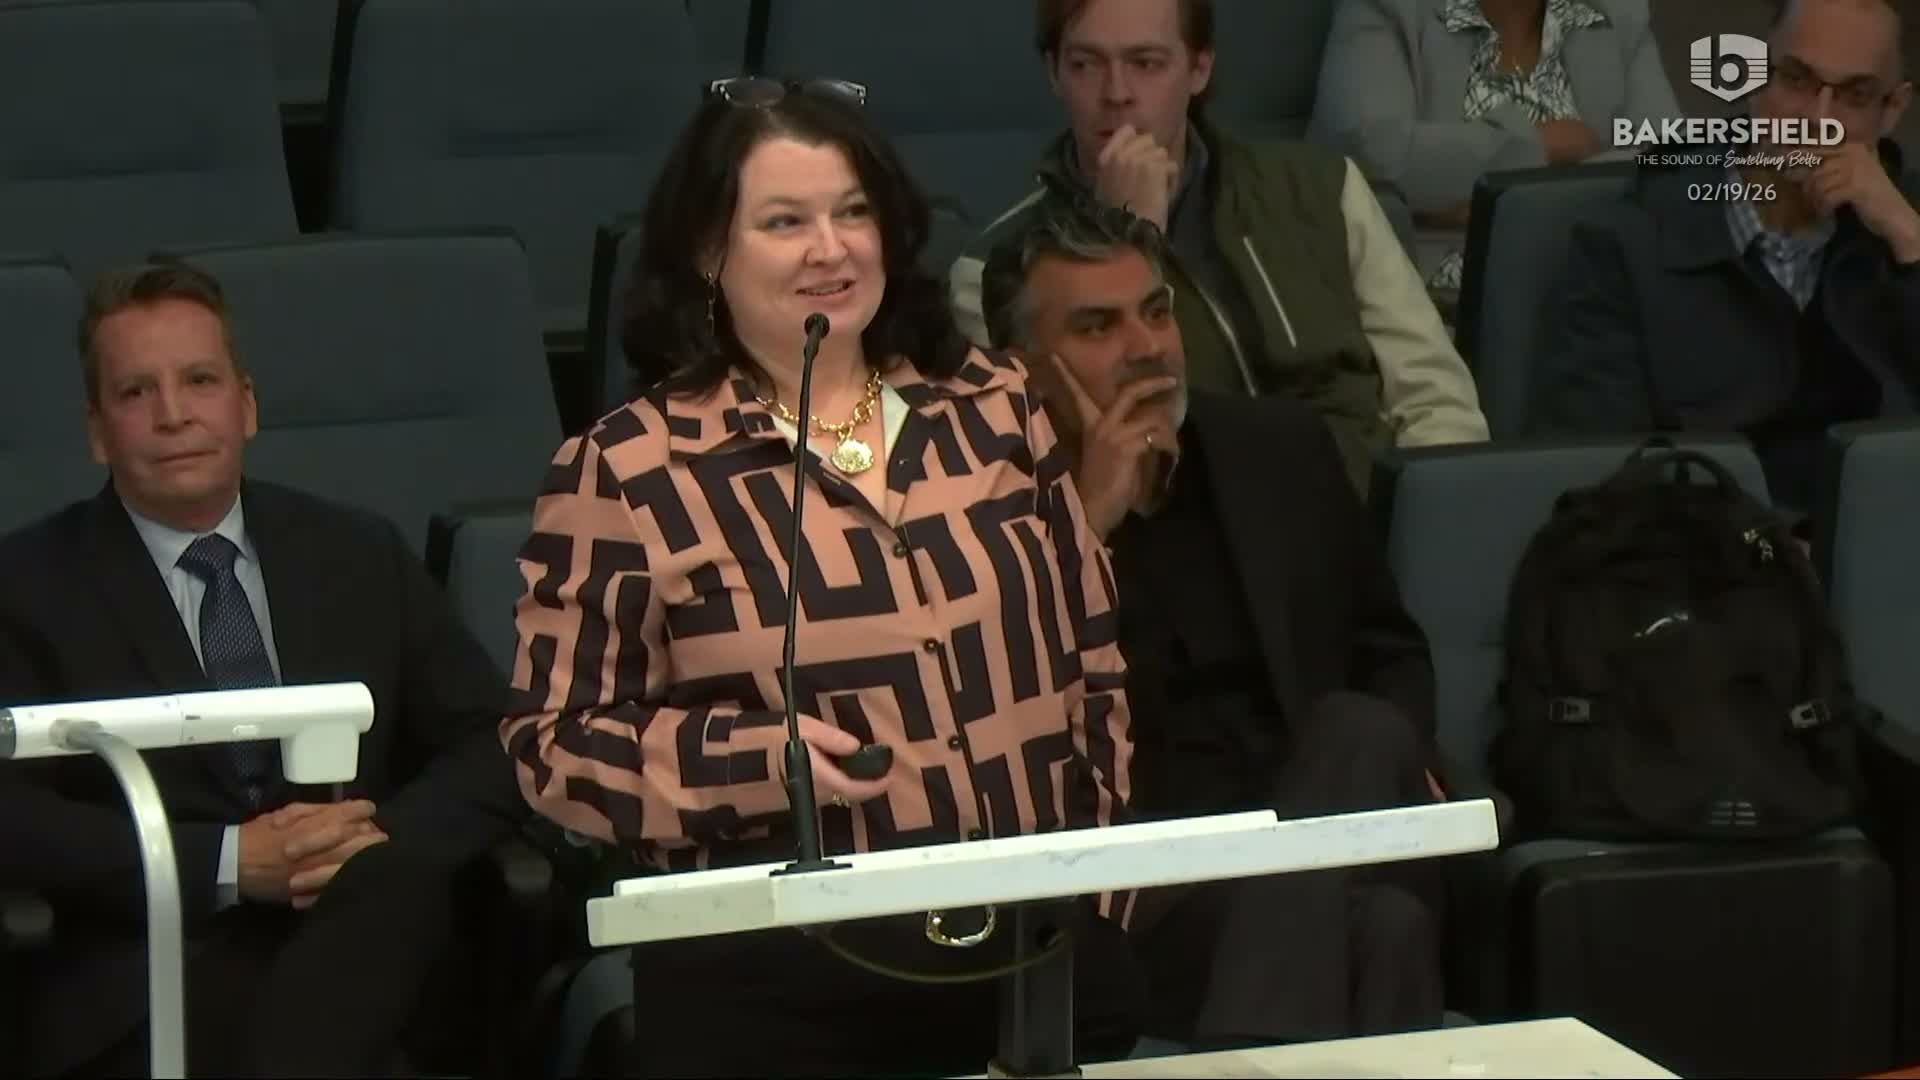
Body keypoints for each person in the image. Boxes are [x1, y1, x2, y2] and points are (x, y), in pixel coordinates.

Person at [500, 77, 1144, 1078]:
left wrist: (1102, 890)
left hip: (1030, 955)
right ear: (709, 251)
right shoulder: (626, 469)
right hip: (777, 984)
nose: (830, 249)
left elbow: (1090, 655)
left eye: (853, 212)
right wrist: (761, 760)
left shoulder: (993, 404)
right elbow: (554, 745)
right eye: (784, 222)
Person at [0, 261, 527, 1078]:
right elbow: (14, 816)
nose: (174, 415)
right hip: (162, 973)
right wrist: (227, 861)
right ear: (98, 431)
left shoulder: (358, 552)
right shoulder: (26, 585)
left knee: (401, 894)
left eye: (199, 381)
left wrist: (366, 847)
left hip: (364, 946)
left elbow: (496, 741)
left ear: (246, 405)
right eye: (136, 392)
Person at [980, 195, 1448, 1045]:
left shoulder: (1277, 448)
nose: (1146, 347)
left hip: (1316, 810)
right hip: (1143, 892)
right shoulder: (988, 506)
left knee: (1361, 729)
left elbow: (1387, 647)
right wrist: (1090, 522)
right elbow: (996, 713)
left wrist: (1399, 761)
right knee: (1387, 932)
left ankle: (1249, 1042)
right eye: (1097, 327)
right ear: (1021, 369)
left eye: (1156, 311)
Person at [951, 0, 1488, 496]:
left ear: (1199, 68)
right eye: (1085, 65)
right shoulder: (994, 271)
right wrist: (1131, 239)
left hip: (1363, 520)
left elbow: (1434, 397)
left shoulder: (1324, 189)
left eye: (1146, 63)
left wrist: (1427, 521)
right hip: (1186, 542)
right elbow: (1086, 472)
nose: (1116, 93)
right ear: (1054, 74)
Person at [1530, 0, 1920, 516]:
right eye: (1797, 80)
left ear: (1892, 110)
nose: (1817, 120)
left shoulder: (1904, 229)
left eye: (1855, 96)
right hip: (1700, 553)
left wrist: (1909, 241)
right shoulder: (1623, 244)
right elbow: (1594, 488)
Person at [1309, 0, 1679, 287]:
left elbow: (1670, 159)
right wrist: (1538, 146)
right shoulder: (1390, 8)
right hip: (1442, 304)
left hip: (1600, 286)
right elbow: (1368, 151)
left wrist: (1466, 196)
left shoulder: (1614, 12)